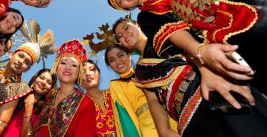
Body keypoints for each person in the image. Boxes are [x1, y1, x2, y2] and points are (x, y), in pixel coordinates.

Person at [107, 0, 267, 93]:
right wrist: (200, 52)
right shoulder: (146, 16)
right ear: (127, 8)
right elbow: (171, 31)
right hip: (225, 27)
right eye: (120, 2)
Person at [112, 17, 267, 136]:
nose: (124, 34)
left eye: (126, 28)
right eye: (119, 35)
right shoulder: (140, 70)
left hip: (212, 91)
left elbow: (197, 47)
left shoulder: (161, 33)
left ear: (137, 25)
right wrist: (164, 131)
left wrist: (207, 69)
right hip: (187, 121)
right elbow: (153, 100)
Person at [32, 39, 96, 136]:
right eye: (63, 63)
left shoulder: (86, 103)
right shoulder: (49, 95)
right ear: (56, 67)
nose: (68, 68)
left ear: (79, 72)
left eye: (74, 65)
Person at [104, 44, 169, 137]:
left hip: (167, 115)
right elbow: (125, 117)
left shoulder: (145, 70)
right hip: (148, 126)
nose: (118, 61)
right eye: (112, 60)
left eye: (120, 55)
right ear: (110, 66)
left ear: (129, 55)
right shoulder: (115, 84)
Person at [2, 68, 56, 137]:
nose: (43, 82)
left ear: (51, 89)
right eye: (42, 78)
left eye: (49, 82)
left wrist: (29, 106)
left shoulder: (46, 112)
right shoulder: (18, 95)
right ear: (34, 79)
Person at [81, 59, 116, 136]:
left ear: (99, 73)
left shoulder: (114, 93)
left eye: (92, 69)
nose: (88, 74)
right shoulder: (79, 105)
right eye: (83, 72)